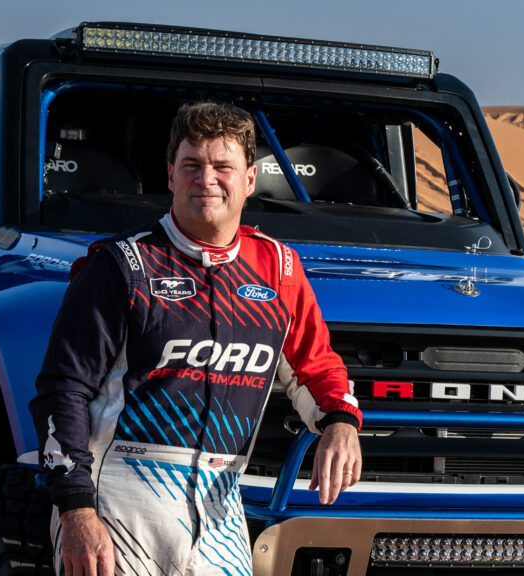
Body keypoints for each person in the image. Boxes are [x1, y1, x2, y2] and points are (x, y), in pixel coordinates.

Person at [29, 101, 363, 576]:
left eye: (222, 166)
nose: (206, 178)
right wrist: (77, 509)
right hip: (118, 500)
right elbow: (62, 391)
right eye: (192, 165)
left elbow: (316, 367)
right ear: (170, 175)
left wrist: (341, 423)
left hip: (221, 509)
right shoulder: (123, 264)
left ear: (249, 180)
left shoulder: (280, 269)